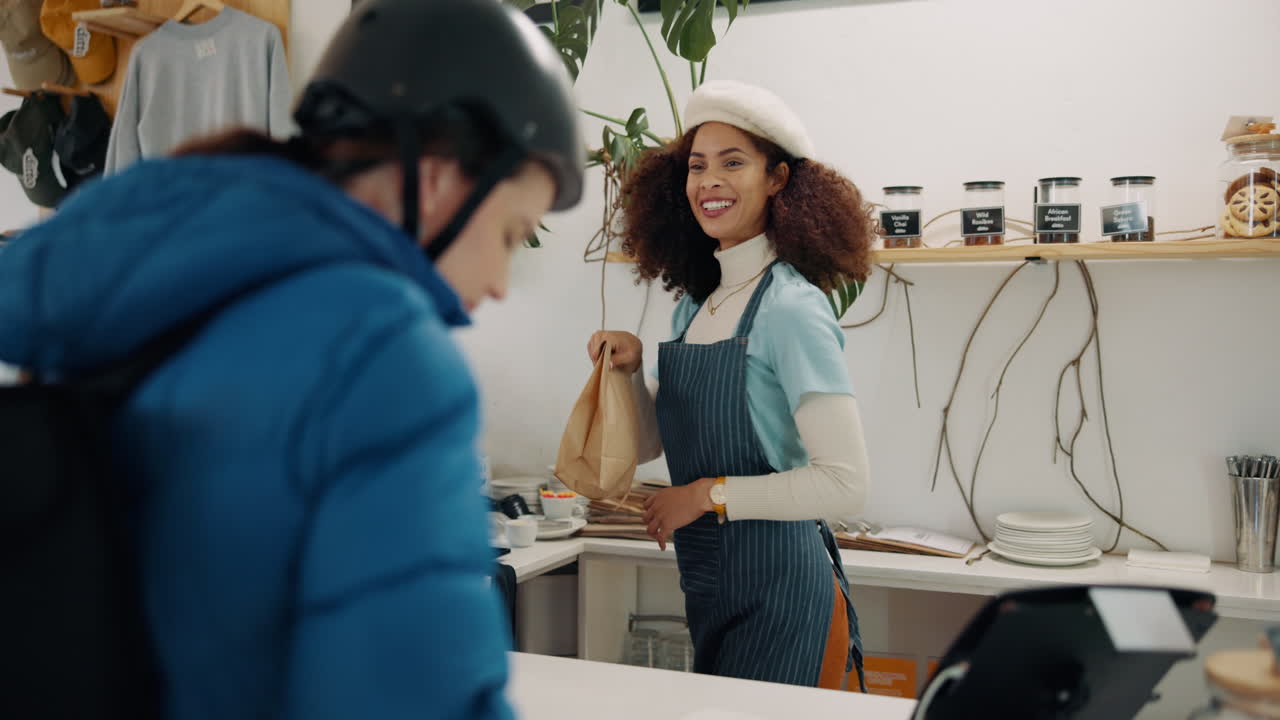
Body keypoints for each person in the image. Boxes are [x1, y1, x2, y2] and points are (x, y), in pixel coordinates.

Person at [0, 0, 581, 717]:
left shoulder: (119, 289)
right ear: (434, 179)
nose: (497, 283)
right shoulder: (383, 354)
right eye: (512, 232)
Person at [588, 80, 875, 690]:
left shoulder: (792, 309)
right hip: (710, 580)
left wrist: (703, 496)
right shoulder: (697, 308)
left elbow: (846, 483)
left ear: (778, 179)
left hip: (781, 590)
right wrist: (632, 371)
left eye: (733, 162)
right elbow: (650, 448)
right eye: (697, 166)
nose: (709, 181)